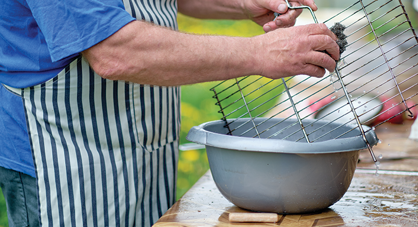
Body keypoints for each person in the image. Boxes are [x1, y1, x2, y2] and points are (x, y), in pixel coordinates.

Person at [0, 0, 340, 226]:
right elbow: (113, 51)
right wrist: (259, 53)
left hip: (144, 146)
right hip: (64, 159)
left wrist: (240, 2)